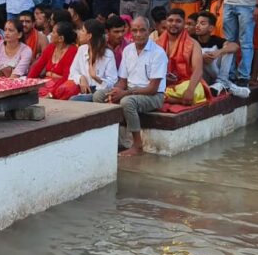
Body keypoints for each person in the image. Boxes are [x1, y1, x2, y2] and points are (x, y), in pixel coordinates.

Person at [93, 16, 167, 157]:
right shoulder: (128, 50)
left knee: (127, 102)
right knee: (99, 95)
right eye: (134, 30)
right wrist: (117, 90)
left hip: (153, 96)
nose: (138, 34)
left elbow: (152, 88)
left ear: (149, 31)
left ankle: (138, 145)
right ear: (130, 32)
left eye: (142, 30)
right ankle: (108, 137)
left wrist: (125, 93)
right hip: (130, 91)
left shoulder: (158, 53)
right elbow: (122, 80)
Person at [192, 11, 249, 98]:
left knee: (227, 49)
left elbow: (235, 46)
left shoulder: (215, 40)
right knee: (202, 52)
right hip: (200, 77)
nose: (197, 26)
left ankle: (221, 81)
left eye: (202, 23)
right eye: (197, 23)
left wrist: (218, 52)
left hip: (214, 75)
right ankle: (226, 84)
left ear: (211, 28)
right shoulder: (192, 39)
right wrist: (201, 56)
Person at [155, 8, 205, 105]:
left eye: (178, 21)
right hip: (163, 83)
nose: (173, 24)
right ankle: (178, 100)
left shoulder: (193, 44)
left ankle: (167, 98)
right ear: (166, 22)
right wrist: (164, 79)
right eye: (170, 20)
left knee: (197, 91)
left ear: (184, 23)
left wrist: (190, 90)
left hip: (185, 83)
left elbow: (198, 70)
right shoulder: (156, 43)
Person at [68, 18, 117, 101]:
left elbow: (113, 82)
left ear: (89, 36)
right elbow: (72, 73)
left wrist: (96, 77)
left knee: (74, 100)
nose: (79, 33)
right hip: (83, 91)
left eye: (83, 31)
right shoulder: (81, 49)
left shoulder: (108, 54)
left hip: (100, 93)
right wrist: (81, 78)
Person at [27, 20, 78, 96]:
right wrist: (27, 83)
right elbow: (37, 67)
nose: (51, 34)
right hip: (46, 83)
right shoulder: (51, 47)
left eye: (53, 32)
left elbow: (66, 77)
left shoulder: (72, 51)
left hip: (60, 85)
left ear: (61, 38)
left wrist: (51, 93)